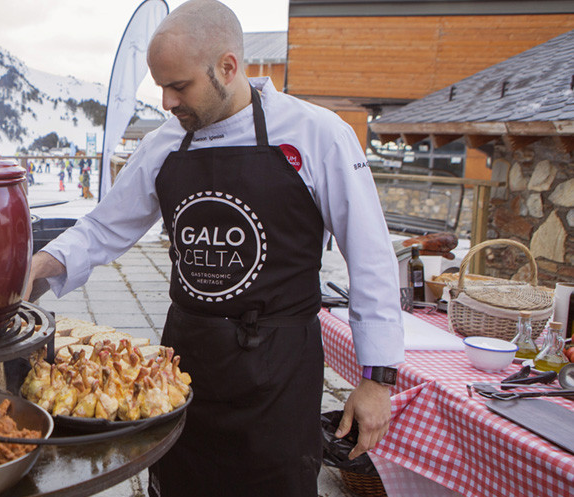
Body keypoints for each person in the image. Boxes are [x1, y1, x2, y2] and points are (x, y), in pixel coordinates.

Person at [25, 1, 404, 496]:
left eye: (179, 86)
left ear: (228, 67)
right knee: (183, 481)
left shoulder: (317, 135)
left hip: (279, 369)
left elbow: (371, 258)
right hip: (185, 365)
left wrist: (377, 380)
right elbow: (102, 228)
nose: (166, 102)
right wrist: (35, 267)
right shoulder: (164, 144)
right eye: (160, 86)